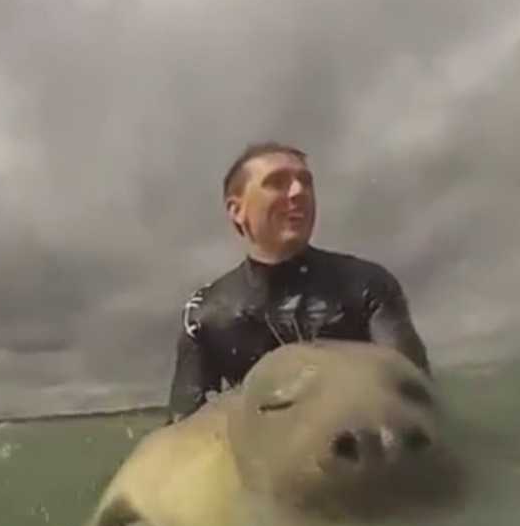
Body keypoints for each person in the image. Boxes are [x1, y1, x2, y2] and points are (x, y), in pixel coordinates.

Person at [166, 142, 429, 422]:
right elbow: (181, 431)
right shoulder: (206, 314)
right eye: (277, 182)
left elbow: (417, 397)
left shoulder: (367, 285)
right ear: (236, 210)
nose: (298, 192)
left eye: (306, 182)